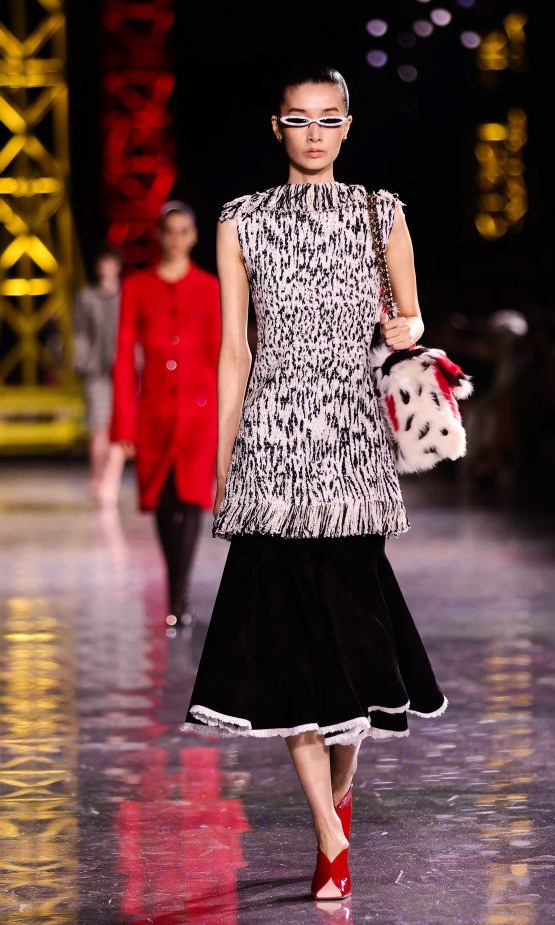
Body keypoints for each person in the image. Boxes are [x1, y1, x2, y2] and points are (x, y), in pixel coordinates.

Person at [180, 65, 448, 901]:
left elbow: (411, 319)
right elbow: (235, 350)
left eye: (328, 118)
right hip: (271, 448)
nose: (314, 133)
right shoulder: (240, 220)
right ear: (277, 127)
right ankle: (329, 832)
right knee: (290, 649)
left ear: (347, 126)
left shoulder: (382, 212)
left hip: (354, 450)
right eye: (298, 119)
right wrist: (225, 461)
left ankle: (340, 798)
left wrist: (406, 324)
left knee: (352, 643)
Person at [109, 201, 221, 631]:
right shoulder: (137, 287)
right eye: (169, 231)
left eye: (183, 231)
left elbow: (220, 354)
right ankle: (176, 586)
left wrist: (229, 417)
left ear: (194, 236)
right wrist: (123, 421)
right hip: (154, 411)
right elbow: (123, 357)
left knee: (191, 498)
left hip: (199, 412)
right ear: (159, 235)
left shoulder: (209, 288)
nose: (176, 239)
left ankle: (179, 591)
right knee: (162, 497)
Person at [72, 243, 125, 505]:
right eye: (102, 263)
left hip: (125, 370)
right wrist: (82, 362)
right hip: (96, 371)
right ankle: (98, 478)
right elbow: (79, 331)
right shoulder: (86, 296)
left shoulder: (127, 295)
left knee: (121, 427)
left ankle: (109, 480)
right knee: (98, 427)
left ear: (117, 266)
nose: (106, 268)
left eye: (110, 262)